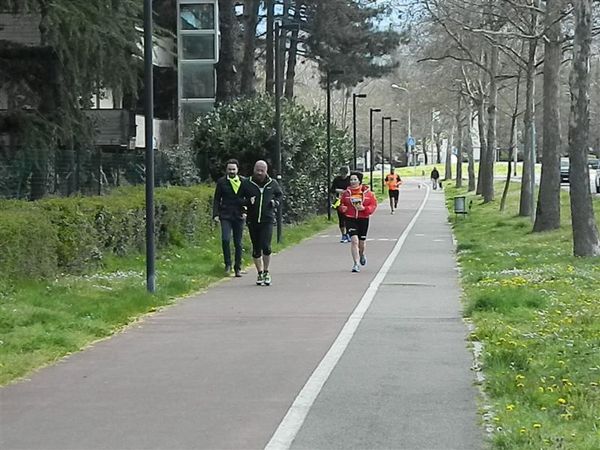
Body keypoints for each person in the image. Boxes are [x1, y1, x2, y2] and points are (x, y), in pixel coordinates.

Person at [239, 160, 283, 286]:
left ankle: (266, 271)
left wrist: (275, 203)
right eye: (257, 170)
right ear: (254, 169)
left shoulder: (272, 183)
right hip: (253, 220)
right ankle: (259, 273)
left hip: (267, 219)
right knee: (256, 248)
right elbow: (238, 199)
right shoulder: (247, 183)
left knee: (266, 246)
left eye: (262, 170)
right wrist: (247, 202)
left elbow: (280, 195)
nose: (259, 173)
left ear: (266, 171)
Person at [338, 171, 378, 273]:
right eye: (351, 180)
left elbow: (373, 206)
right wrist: (342, 208)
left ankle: (362, 254)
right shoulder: (346, 193)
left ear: (359, 181)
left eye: (355, 179)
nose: (353, 182)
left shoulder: (369, 194)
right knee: (354, 241)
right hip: (350, 218)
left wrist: (364, 208)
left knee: (361, 243)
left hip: (363, 219)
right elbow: (341, 204)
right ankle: (356, 264)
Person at [212, 159, 246, 277]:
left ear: (237, 170)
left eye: (233, 169)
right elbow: (217, 198)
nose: (231, 171)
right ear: (226, 170)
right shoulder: (221, 182)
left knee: (238, 243)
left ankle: (238, 267)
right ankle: (228, 265)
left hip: (239, 215)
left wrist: (246, 210)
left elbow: (248, 198)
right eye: (229, 169)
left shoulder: (244, 182)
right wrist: (215, 214)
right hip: (225, 215)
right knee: (225, 239)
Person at [330, 166, 351, 242]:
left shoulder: (350, 179)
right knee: (341, 218)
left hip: (349, 201)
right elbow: (331, 190)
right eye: (342, 174)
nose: (343, 175)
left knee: (349, 218)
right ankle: (343, 235)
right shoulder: (337, 179)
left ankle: (348, 234)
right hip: (339, 201)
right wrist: (338, 190)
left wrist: (347, 191)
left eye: (344, 174)